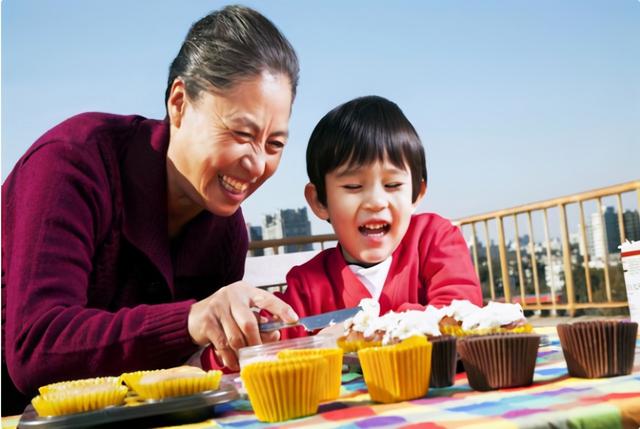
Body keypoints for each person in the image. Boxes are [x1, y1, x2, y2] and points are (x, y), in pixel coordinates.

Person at [1, 5, 300, 415]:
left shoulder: (227, 234)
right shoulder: (73, 161)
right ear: (179, 103)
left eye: (274, 144)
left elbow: (181, 372)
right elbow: (35, 347)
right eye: (241, 133)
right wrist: (191, 321)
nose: (256, 164)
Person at [278, 95, 483, 339]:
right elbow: (266, 344)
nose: (376, 202)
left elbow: (458, 312)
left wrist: (370, 330)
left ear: (417, 193)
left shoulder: (434, 239)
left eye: (393, 184)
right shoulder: (307, 286)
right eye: (353, 186)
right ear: (320, 201)